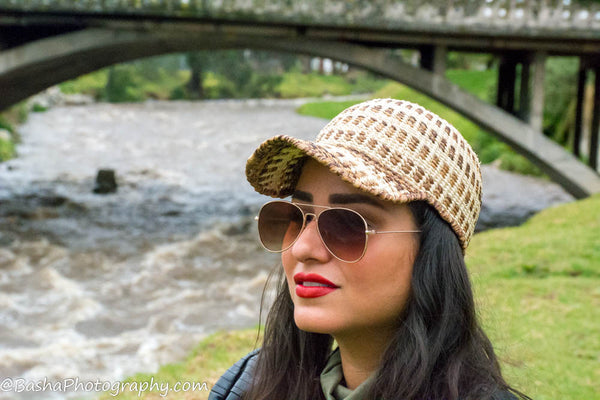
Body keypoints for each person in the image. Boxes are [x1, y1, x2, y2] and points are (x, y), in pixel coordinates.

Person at [208, 98, 529, 400]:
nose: (303, 248)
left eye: (349, 224)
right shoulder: (247, 386)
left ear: (433, 251)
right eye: (297, 217)